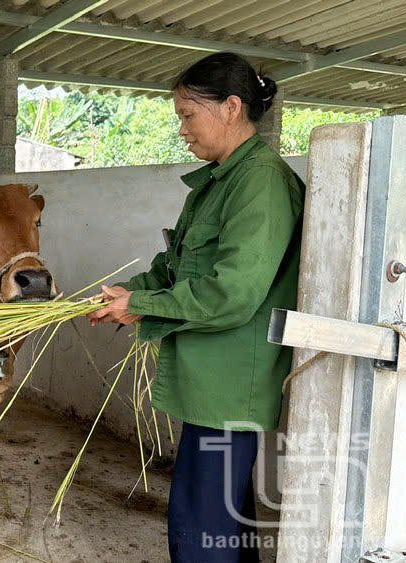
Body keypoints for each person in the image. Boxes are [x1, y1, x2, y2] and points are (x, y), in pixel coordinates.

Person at [87, 52, 305, 563]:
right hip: (212, 382)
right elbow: (176, 267)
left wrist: (140, 306)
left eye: (188, 114)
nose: (182, 130)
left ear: (231, 108)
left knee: (200, 525)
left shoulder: (261, 183)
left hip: (230, 387)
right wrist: (124, 292)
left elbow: (232, 292)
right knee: (222, 520)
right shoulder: (216, 182)